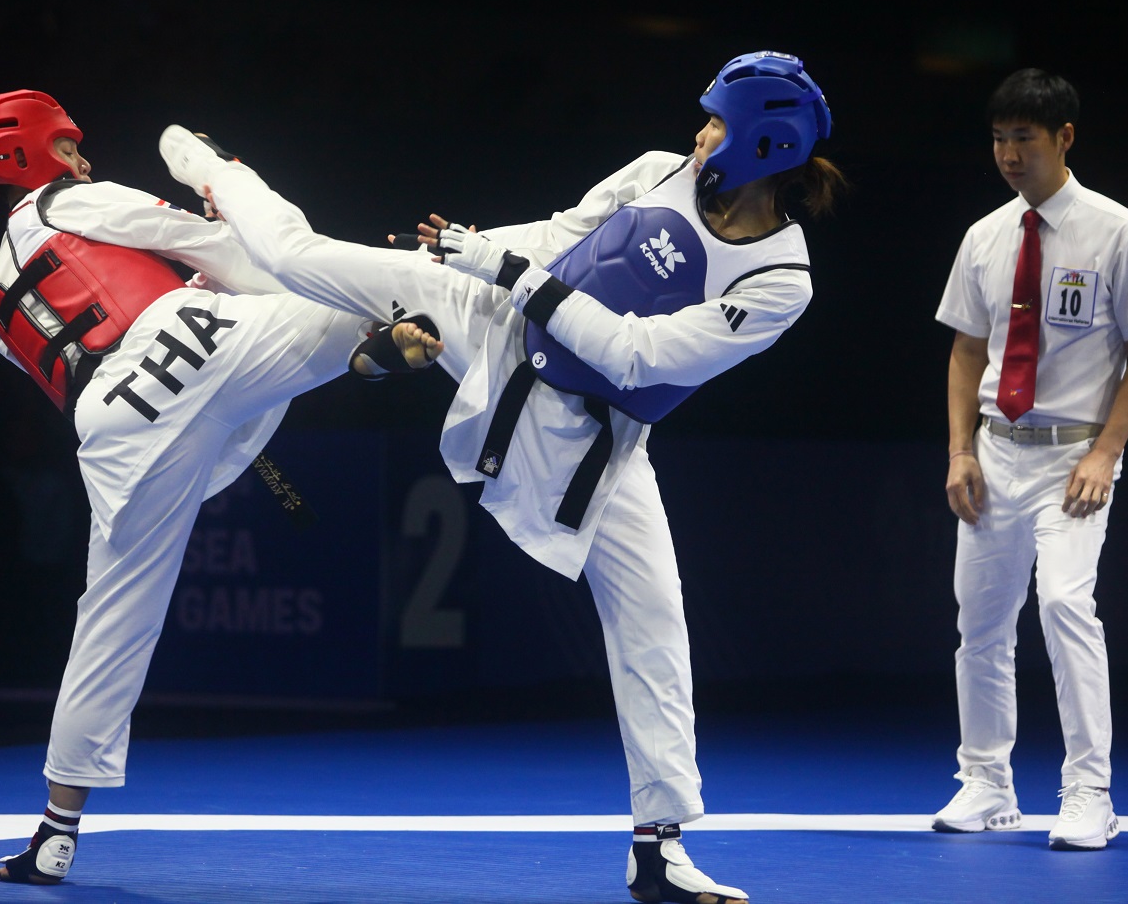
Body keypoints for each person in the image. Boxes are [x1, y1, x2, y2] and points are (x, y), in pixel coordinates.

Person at [159, 50, 845, 904]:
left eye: (716, 122)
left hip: (596, 431)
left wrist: (506, 270)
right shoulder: (657, 171)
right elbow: (563, 237)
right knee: (307, 257)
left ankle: (659, 849)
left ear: (764, 145)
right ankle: (211, 169)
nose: (700, 134)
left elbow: (638, 356)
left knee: (656, 619)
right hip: (495, 325)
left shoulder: (779, 279)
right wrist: (469, 252)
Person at [0, 90, 442, 884]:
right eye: (72, 146)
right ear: (45, 156)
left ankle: (56, 830)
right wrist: (302, 277)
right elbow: (201, 239)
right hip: (188, 343)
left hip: (112, 431)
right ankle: (368, 345)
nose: (84, 159)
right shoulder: (77, 197)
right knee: (327, 287)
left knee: (112, 620)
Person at [931, 69, 1128, 850]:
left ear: (1065, 137)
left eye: (1024, 139)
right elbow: (968, 349)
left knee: (1066, 606)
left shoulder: (1120, 231)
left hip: (1076, 455)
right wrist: (960, 449)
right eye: (999, 138)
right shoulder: (984, 235)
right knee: (981, 622)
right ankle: (986, 782)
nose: (1009, 154)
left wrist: (1107, 450)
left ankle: (1089, 792)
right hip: (996, 453)